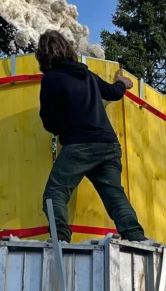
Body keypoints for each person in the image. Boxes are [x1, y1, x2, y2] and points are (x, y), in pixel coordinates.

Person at [35, 30, 147, 243]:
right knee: (115, 196)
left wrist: (61, 126)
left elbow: (48, 121)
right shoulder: (87, 74)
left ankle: (60, 238)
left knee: (55, 193)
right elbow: (113, 92)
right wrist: (123, 83)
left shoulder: (51, 79)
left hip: (79, 145)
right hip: (108, 144)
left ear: (43, 56)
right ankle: (135, 236)